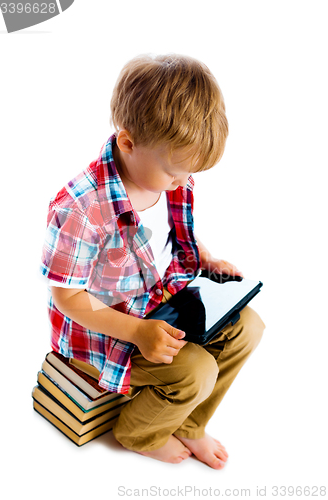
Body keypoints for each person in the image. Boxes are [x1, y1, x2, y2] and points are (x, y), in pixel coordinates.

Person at [40, 54, 265, 469]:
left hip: (163, 301)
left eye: (188, 174)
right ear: (128, 143)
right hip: (108, 331)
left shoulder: (165, 176)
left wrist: (205, 259)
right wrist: (139, 332)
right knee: (196, 371)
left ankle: (190, 424)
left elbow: (171, 235)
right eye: (175, 174)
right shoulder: (80, 208)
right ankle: (140, 433)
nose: (183, 182)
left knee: (249, 326)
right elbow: (68, 298)